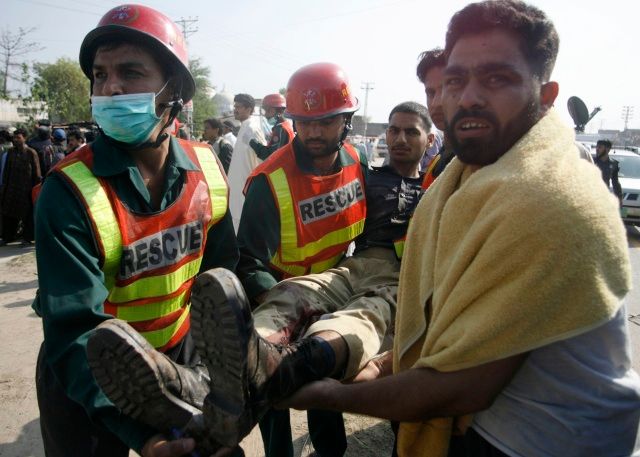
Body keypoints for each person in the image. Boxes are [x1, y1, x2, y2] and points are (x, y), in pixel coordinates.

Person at [277, 2, 640, 456]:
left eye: (496, 79)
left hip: (544, 440)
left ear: (546, 95)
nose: (467, 97)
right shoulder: (465, 179)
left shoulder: (551, 198)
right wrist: (385, 364)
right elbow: (444, 326)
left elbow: (460, 386)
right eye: (455, 80)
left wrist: (333, 396)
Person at [33, 4, 238, 457]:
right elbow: (74, 330)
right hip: (87, 381)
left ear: (176, 91)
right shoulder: (67, 190)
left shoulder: (207, 167)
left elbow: (223, 273)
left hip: (175, 359)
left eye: (130, 72)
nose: (111, 89)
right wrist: (144, 434)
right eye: (100, 76)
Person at [186, 100, 434, 448]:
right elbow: (253, 259)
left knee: (360, 317)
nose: (399, 139)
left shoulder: (429, 188)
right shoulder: (349, 174)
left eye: (411, 131)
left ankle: (295, 369)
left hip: (393, 277)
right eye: (393, 129)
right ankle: (211, 377)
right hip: (335, 272)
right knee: (288, 300)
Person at [416, 47, 456, 190]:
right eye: (430, 93)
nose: (436, 103)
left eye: (447, 89)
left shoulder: (481, 165)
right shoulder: (438, 161)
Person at [226, 93, 267, 230]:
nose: (235, 109)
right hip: (237, 194)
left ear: (249, 109)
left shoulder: (252, 128)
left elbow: (264, 160)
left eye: (238, 107)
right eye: (234, 106)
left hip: (246, 194)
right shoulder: (244, 127)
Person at [0, 128, 41, 247]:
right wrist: (4, 187)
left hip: (26, 190)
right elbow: (6, 171)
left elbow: (37, 174)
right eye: (14, 137)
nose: (15, 140)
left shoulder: (31, 152)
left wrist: (35, 190)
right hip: (11, 189)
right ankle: (8, 237)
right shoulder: (11, 152)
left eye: (18, 138)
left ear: (25, 138)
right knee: (8, 214)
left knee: (27, 216)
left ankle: (27, 238)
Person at [249, 93, 294, 161]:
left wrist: (253, 142)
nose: (265, 115)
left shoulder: (280, 129)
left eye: (267, 111)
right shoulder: (286, 125)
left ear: (273, 110)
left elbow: (270, 155)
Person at [594, 138, 623, 203]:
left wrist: (619, 197)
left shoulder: (613, 164)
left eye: (600, 147)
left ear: (607, 149)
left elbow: (615, 182)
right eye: (597, 147)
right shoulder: (591, 161)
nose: (597, 149)